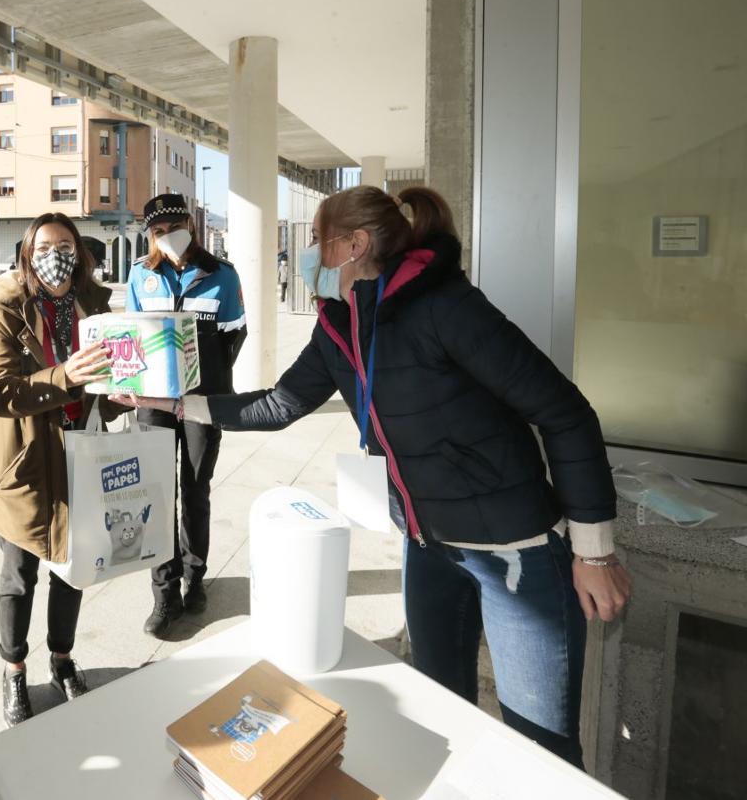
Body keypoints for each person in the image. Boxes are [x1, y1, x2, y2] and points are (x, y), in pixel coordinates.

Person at [115, 185, 632, 767]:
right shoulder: (340, 325)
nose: (309, 254)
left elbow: (565, 412)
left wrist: (594, 551)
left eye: (317, 240)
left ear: (355, 245)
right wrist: (178, 404)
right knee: (441, 716)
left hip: (518, 553)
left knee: (541, 749)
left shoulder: (446, 307)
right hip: (428, 548)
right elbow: (280, 404)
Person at [0, 212, 123, 727]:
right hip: (27, 462)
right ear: (27, 253)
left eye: (65, 243)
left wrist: (120, 397)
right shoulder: (7, 309)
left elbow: (104, 388)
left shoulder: (98, 306)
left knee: (73, 569)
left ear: (80, 252)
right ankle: (14, 669)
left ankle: (62, 658)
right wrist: (66, 374)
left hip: (83, 454)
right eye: (44, 244)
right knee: (20, 575)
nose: (54, 252)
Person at [126, 193, 247, 637]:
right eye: (158, 232)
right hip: (153, 404)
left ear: (191, 225)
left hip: (201, 403)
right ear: (150, 236)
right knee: (158, 496)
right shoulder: (141, 274)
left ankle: (195, 579)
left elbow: (236, 335)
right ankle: (164, 593)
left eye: (175, 227)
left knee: (195, 490)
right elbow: (133, 337)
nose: (167, 238)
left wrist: (210, 381)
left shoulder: (222, 275)